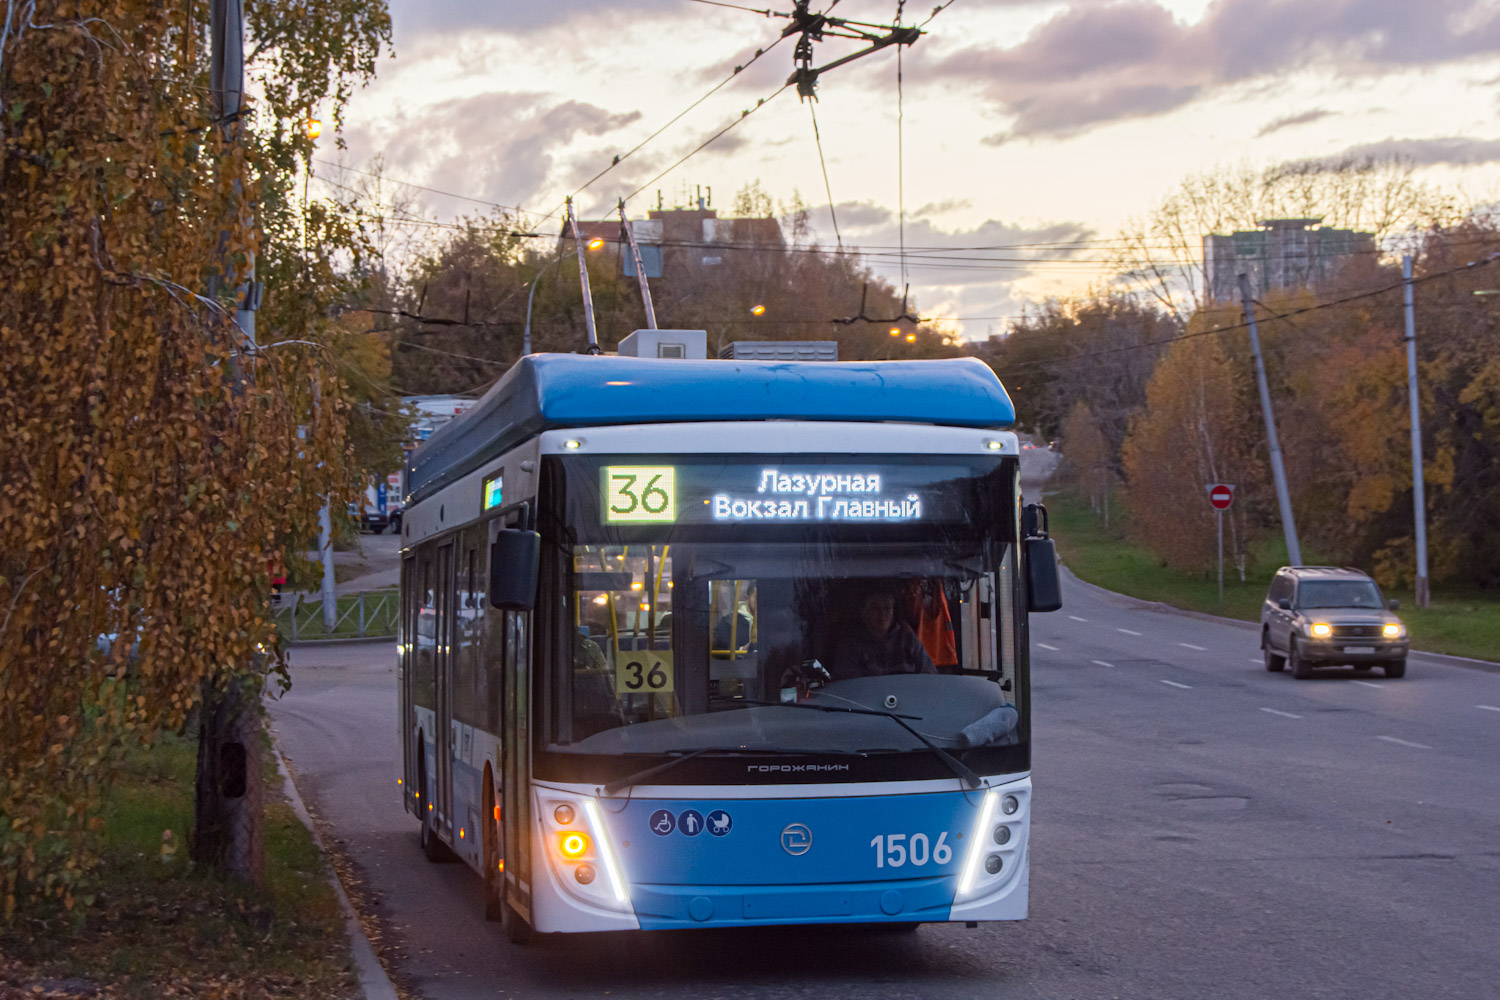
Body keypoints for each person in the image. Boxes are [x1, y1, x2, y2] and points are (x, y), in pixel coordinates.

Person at [830, 587, 937, 680]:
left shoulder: (908, 639)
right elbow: (849, 688)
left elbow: (930, 676)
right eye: (875, 608)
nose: (882, 614)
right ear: (864, 612)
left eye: (887, 608)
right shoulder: (851, 645)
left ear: (893, 612)